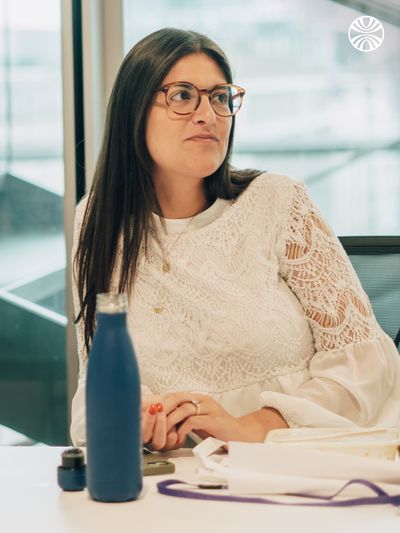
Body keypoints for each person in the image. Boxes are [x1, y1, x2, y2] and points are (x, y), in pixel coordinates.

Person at [70, 27, 400, 451]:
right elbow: (95, 378)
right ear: (134, 111)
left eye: (221, 97)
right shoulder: (98, 220)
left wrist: (256, 426)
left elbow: (367, 362)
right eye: (183, 95)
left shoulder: (278, 201)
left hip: (303, 460)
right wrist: (132, 419)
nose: (208, 114)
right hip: (182, 478)